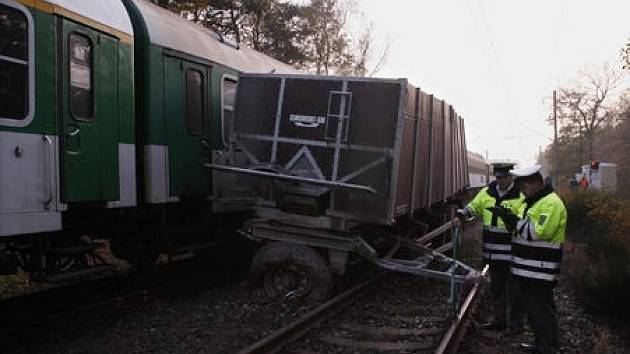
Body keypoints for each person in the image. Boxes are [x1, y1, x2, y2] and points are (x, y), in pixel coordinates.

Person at [489, 165, 566, 354]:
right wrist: (510, 220)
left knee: (542, 310)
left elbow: (538, 232)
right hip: (527, 268)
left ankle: (548, 347)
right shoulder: (531, 201)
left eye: (525, 185)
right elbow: (522, 230)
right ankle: (540, 343)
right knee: (533, 311)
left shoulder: (551, 203)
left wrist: (514, 222)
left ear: (537, 183)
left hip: (541, 269)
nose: (522, 189)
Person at [454, 162, 524, 331]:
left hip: (512, 254)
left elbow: (523, 220)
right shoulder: (487, 192)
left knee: (515, 291)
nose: (500, 180)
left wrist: (509, 218)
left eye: (503, 177)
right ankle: (499, 321)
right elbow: (474, 206)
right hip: (492, 253)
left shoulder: (520, 196)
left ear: (511, 177)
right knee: (497, 288)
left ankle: (515, 325)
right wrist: (462, 214)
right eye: (497, 177)